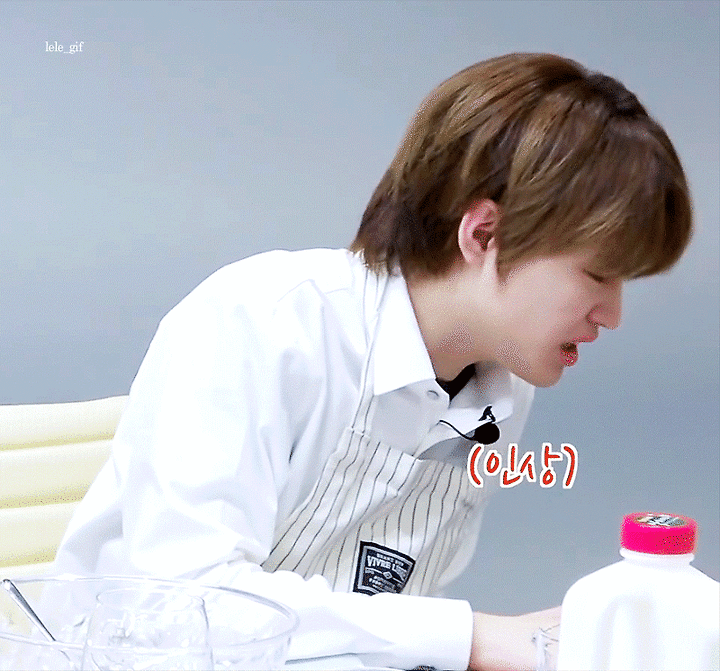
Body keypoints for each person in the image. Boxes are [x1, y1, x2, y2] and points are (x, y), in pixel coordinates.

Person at [54, 53, 692, 670]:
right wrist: (472, 638)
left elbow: (398, 620)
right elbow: (183, 610)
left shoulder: (501, 387)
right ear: (485, 235)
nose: (612, 315)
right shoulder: (261, 321)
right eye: (598, 274)